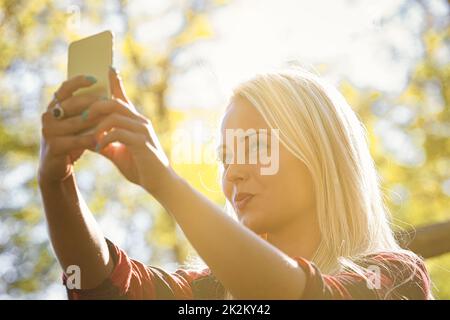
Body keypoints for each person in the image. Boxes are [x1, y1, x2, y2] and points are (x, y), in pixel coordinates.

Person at [38, 66, 432, 299]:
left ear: (319, 154)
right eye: (226, 158)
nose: (234, 172)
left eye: (257, 146)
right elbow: (106, 284)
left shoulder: (396, 277)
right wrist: (56, 181)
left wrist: (165, 182)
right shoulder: (209, 292)